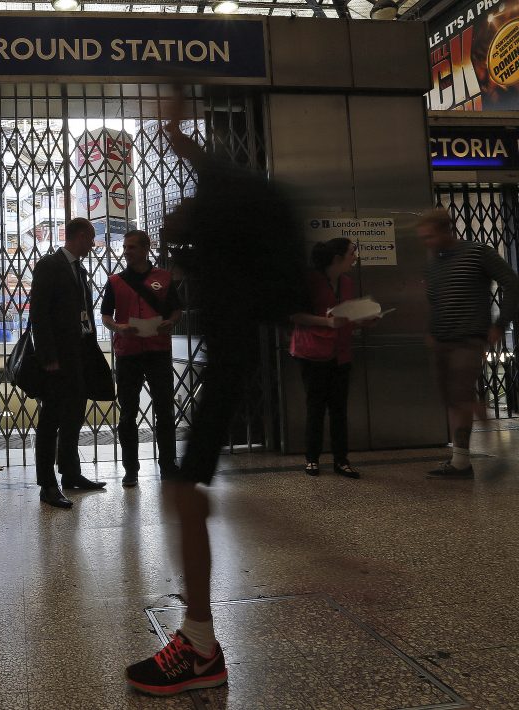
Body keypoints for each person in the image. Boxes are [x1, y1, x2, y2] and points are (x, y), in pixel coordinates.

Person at [125, 90, 307, 696]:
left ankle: (199, 647)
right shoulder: (232, 193)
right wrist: (174, 131)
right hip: (228, 357)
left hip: (230, 360)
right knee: (183, 491)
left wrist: (176, 133)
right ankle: (198, 638)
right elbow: (203, 165)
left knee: (181, 490)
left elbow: (210, 176)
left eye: (179, 216)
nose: (171, 219)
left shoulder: (230, 205)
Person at [419, 207, 519, 480]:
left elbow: (511, 282)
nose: (426, 243)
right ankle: (461, 461)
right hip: (441, 339)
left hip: (468, 338)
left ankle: (491, 451)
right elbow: (434, 299)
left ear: (445, 230)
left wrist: (500, 324)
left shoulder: (477, 252)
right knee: (453, 399)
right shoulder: (433, 260)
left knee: (461, 396)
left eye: (429, 236)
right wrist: (430, 330)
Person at [29, 217, 109, 509]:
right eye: (90, 238)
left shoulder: (80, 270)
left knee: (74, 415)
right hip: (58, 359)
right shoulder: (50, 265)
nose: (92, 244)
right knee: (51, 420)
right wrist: (48, 356)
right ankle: (47, 484)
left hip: (79, 355)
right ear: (79, 236)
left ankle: (71, 473)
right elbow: (38, 313)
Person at [101, 229, 182, 486]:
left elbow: (177, 309)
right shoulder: (114, 281)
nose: (126, 251)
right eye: (125, 247)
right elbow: (105, 316)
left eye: (132, 247)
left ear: (146, 248)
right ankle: (130, 470)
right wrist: (119, 328)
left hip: (158, 350)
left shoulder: (164, 278)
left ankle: (168, 465)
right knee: (127, 414)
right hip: (128, 353)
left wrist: (171, 322)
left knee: (165, 411)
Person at [289, 238, 363, 478]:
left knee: (339, 408)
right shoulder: (310, 282)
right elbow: (295, 315)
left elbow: (348, 314)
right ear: (337, 258)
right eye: (352, 253)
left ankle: (341, 459)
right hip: (312, 352)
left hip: (340, 352)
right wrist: (327, 322)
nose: (355, 257)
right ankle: (312, 459)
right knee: (315, 406)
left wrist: (363, 319)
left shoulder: (348, 283)